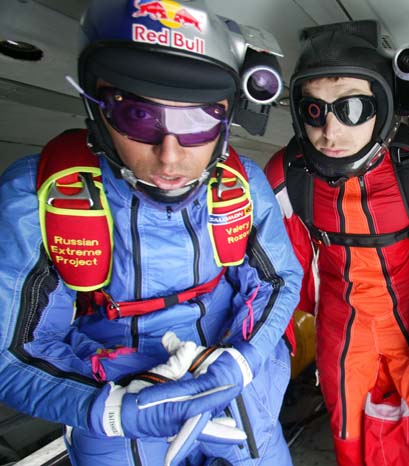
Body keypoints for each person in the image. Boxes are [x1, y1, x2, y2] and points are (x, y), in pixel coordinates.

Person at [0, 1, 302, 465]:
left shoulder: (241, 185)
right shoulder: (42, 196)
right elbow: (13, 351)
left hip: (234, 381)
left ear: (225, 119)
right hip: (113, 396)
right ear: (97, 109)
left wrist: (244, 361)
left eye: (198, 120)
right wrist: (110, 410)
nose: (170, 156)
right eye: (139, 117)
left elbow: (277, 281)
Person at [265, 20, 409, 465]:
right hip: (340, 328)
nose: (330, 132)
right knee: (348, 435)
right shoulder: (288, 173)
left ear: (383, 105)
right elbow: (249, 258)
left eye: (351, 109)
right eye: (314, 110)